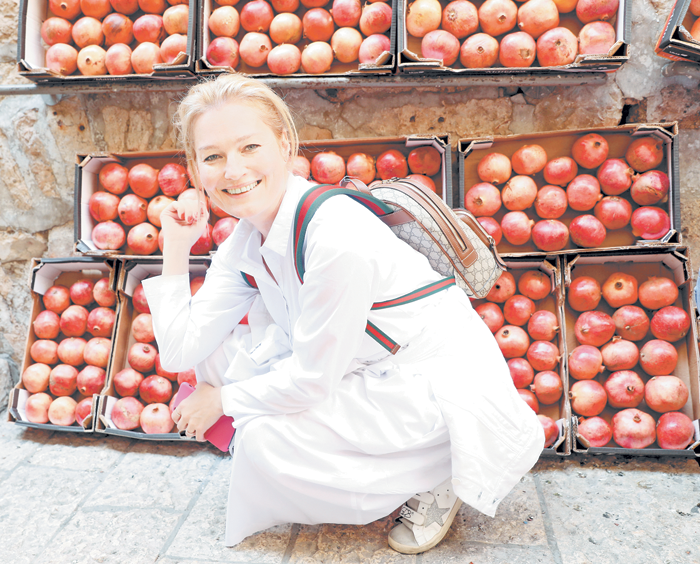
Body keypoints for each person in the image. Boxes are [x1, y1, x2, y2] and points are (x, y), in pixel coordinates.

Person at [142, 72, 544, 554]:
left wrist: (222, 402)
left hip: (428, 383)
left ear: (285, 144)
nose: (232, 170)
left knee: (264, 441)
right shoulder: (247, 238)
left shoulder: (335, 237)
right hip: (360, 365)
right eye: (213, 157)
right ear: (196, 169)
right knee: (213, 361)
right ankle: (380, 456)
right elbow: (181, 350)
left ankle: (443, 469)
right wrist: (175, 249)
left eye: (249, 147)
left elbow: (312, 381)